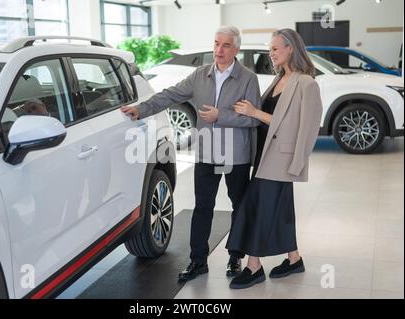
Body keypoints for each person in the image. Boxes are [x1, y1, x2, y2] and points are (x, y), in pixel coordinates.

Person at [121, 26, 262, 281]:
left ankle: (236, 257)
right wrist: (141, 108)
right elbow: (170, 95)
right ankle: (198, 261)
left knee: (239, 207)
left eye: (226, 45)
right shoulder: (200, 75)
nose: (219, 50)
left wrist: (222, 116)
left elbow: (253, 120)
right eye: (216, 43)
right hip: (207, 153)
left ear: (236, 49)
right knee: (203, 207)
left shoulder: (248, 79)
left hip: (236, 155)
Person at [225, 28, 323, 289]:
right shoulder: (279, 79)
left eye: (276, 48)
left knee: (255, 206)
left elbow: (303, 127)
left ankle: (254, 266)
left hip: (281, 159)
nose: (271, 53)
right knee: (280, 209)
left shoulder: (306, 83)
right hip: (263, 154)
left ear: (291, 48)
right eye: (271, 49)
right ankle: (294, 259)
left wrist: (255, 112)